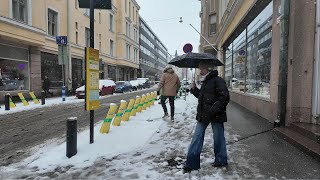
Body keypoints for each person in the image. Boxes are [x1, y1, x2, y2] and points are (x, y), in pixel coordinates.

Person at [183, 61, 230, 173]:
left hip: (216, 115)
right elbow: (202, 97)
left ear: (208, 69)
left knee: (219, 138)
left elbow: (224, 98)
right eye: (199, 69)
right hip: (203, 115)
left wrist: (211, 110)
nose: (200, 71)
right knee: (197, 137)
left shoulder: (218, 81)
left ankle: (221, 160)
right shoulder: (206, 82)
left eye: (202, 69)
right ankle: (192, 163)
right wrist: (194, 89)